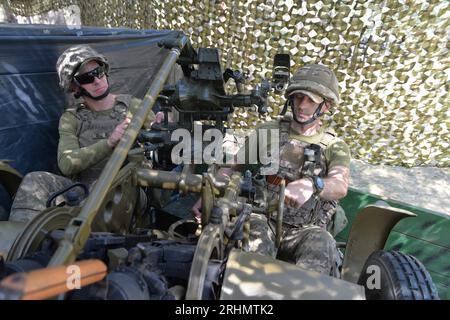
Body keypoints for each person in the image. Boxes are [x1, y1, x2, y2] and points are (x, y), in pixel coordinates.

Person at [192, 64, 351, 276]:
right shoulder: (268, 131)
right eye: (298, 97)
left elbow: (340, 186)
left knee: (322, 246)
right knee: (250, 248)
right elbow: (233, 167)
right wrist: (208, 193)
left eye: (311, 100)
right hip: (263, 218)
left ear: (327, 106)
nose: (302, 105)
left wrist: (313, 184)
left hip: (306, 230)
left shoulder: (334, 146)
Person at [9, 44, 166, 223]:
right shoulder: (72, 118)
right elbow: (67, 164)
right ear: (75, 87)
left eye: (98, 72)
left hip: (125, 191)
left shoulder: (134, 106)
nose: (97, 80)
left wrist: (159, 128)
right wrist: (109, 142)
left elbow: (157, 143)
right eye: (86, 78)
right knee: (34, 180)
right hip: (84, 191)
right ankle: (16, 245)